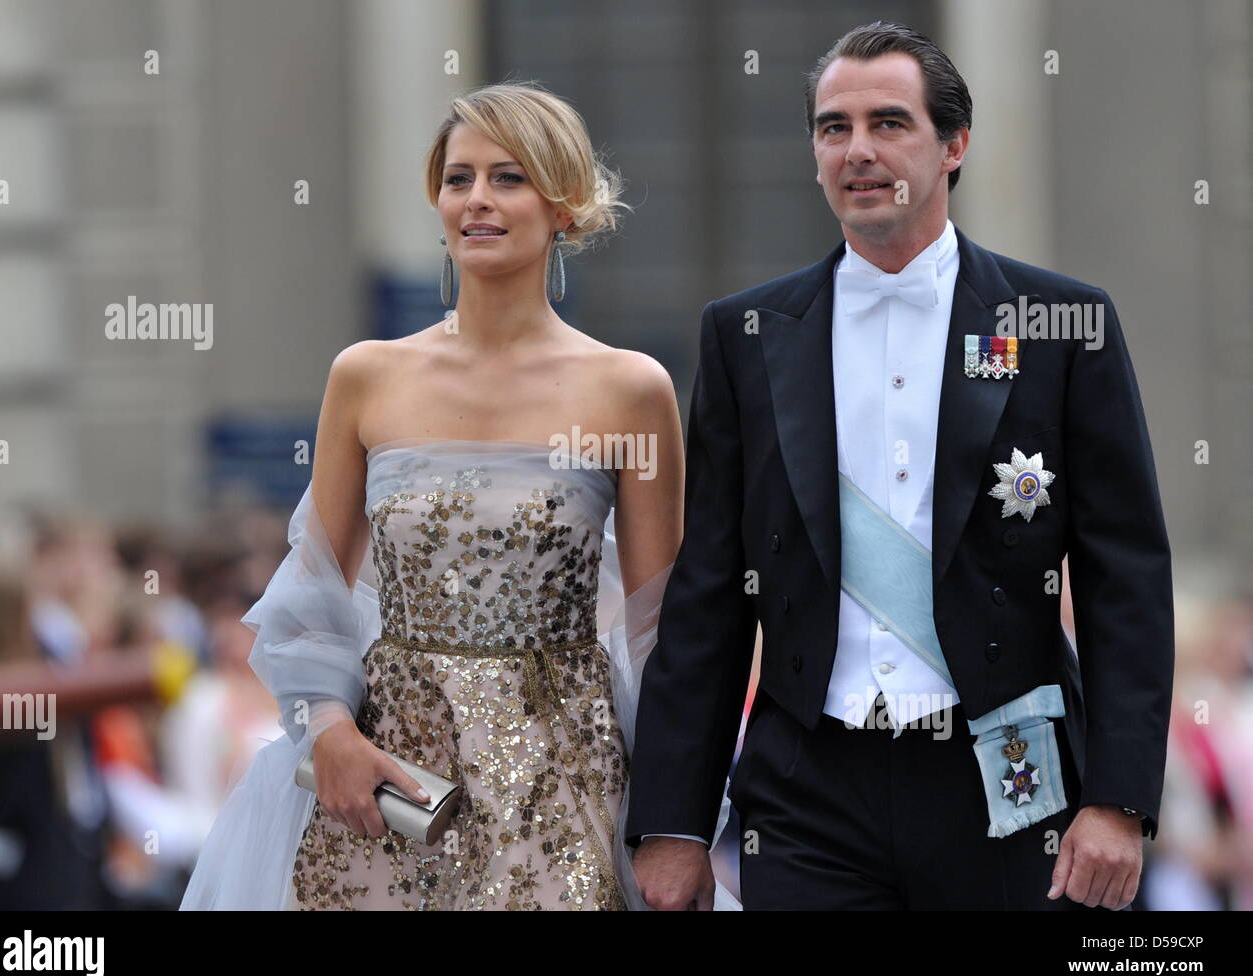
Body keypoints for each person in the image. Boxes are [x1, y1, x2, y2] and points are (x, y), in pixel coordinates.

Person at [625, 21, 1174, 910]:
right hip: (808, 789)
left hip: (1006, 778)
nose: (859, 151)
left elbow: (1126, 579)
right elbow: (712, 590)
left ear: (954, 145)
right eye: (833, 128)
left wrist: (1118, 800)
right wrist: (675, 820)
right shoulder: (747, 335)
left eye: (889, 123)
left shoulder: (1060, 323)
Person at [180, 82, 740, 910]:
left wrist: (675, 819)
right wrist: (329, 731)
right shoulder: (367, 376)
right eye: (459, 178)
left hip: (561, 777)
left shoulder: (631, 390)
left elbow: (663, 633)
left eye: (508, 178)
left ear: (565, 205)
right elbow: (314, 586)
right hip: (390, 777)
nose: (477, 199)